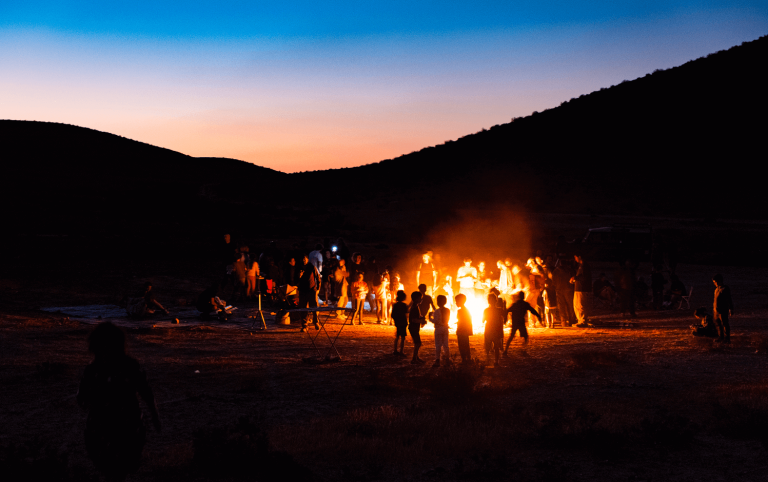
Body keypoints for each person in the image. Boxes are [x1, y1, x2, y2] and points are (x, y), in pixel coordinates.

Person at [77, 322, 161, 481]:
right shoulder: (98, 370)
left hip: (122, 426)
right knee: (114, 468)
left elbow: (146, 392)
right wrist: (155, 417)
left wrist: (155, 416)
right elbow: (82, 398)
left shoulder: (123, 367)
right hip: (109, 427)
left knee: (116, 468)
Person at [297, 255, 321, 331]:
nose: (304, 260)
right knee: (303, 308)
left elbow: (318, 278)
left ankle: (316, 322)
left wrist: (318, 289)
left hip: (311, 289)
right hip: (303, 290)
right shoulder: (299, 268)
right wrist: (299, 276)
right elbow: (295, 280)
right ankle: (304, 325)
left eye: (305, 259)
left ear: (307, 259)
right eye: (302, 259)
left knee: (314, 307)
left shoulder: (311, 267)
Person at [483, 293, 505, 366]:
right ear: (496, 301)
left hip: (489, 329)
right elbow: (505, 318)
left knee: (488, 345)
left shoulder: (486, 310)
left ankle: (488, 358)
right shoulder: (499, 310)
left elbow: (483, 320)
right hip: (497, 329)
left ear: (488, 301)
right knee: (496, 347)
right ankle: (496, 361)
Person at [571, 254, 591, 327]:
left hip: (582, 289)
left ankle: (583, 321)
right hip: (578, 288)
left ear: (579, 257)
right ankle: (580, 320)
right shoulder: (581, 265)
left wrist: (575, 278)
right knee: (577, 305)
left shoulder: (584, 266)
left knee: (580, 305)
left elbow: (584, 277)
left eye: (575, 257)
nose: (575, 259)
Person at [712, 274, 734, 343]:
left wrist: (730, 308)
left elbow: (729, 299)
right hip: (716, 310)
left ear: (719, 281)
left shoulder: (724, 289)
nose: (714, 283)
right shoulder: (716, 289)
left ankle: (727, 338)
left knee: (725, 324)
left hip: (723, 310)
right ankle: (721, 337)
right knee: (718, 324)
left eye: (715, 282)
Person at [554, 259, 576, 326]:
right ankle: (571, 320)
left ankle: (563, 321)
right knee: (570, 305)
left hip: (559, 289)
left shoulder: (556, 271)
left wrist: (556, 287)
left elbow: (553, 281)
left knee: (561, 306)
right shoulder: (570, 270)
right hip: (568, 289)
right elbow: (574, 278)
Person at [431, 295, 451, 367]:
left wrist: (429, 318)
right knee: (446, 345)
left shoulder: (437, 311)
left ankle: (437, 360)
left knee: (438, 345)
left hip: (439, 329)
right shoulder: (448, 310)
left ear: (438, 302)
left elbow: (435, 321)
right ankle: (447, 359)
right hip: (445, 328)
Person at [409, 291, 426, 364]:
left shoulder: (415, 306)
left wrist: (421, 318)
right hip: (413, 328)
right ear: (416, 299)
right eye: (420, 298)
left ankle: (416, 357)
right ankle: (414, 359)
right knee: (418, 343)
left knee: (416, 343)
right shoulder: (415, 307)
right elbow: (414, 320)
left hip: (414, 328)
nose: (421, 299)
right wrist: (421, 321)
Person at [455, 293, 473, 363]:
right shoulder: (466, 310)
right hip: (465, 330)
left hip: (461, 330)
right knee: (466, 344)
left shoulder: (460, 311)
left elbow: (461, 320)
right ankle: (468, 358)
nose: (456, 303)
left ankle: (464, 359)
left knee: (461, 345)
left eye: (456, 301)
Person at [391, 290, 409, 356]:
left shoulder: (395, 305)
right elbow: (407, 311)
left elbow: (392, 314)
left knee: (397, 336)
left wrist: (395, 320)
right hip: (403, 322)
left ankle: (395, 350)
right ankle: (401, 351)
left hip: (398, 322)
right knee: (403, 337)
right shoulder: (404, 305)